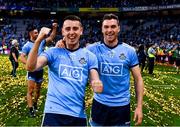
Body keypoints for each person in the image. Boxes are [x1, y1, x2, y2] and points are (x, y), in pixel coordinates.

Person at [26, 15, 103, 126]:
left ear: (81, 31)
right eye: (67, 29)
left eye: (75, 29)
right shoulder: (53, 52)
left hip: (78, 115)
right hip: (53, 114)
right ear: (62, 32)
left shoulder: (89, 56)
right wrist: (38, 40)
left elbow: (94, 77)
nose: (71, 32)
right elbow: (31, 67)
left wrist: (96, 82)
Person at [87, 14, 144, 126]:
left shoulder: (129, 51)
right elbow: (73, 53)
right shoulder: (91, 50)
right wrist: (63, 44)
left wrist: (139, 106)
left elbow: (138, 79)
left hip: (121, 107)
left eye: (113, 26)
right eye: (106, 27)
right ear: (102, 29)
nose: (109, 30)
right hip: (99, 105)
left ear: (118, 28)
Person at [20, 23, 58, 117]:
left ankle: (35, 103)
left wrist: (54, 28)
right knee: (30, 90)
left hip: (40, 70)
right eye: (36, 33)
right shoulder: (27, 45)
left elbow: (51, 37)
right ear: (30, 33)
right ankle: (30, 110)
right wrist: (29, 64)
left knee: (38, 90)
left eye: (38, 32)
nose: (38, 34)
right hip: (32, 71)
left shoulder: (41, 41)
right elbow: (21, 57)